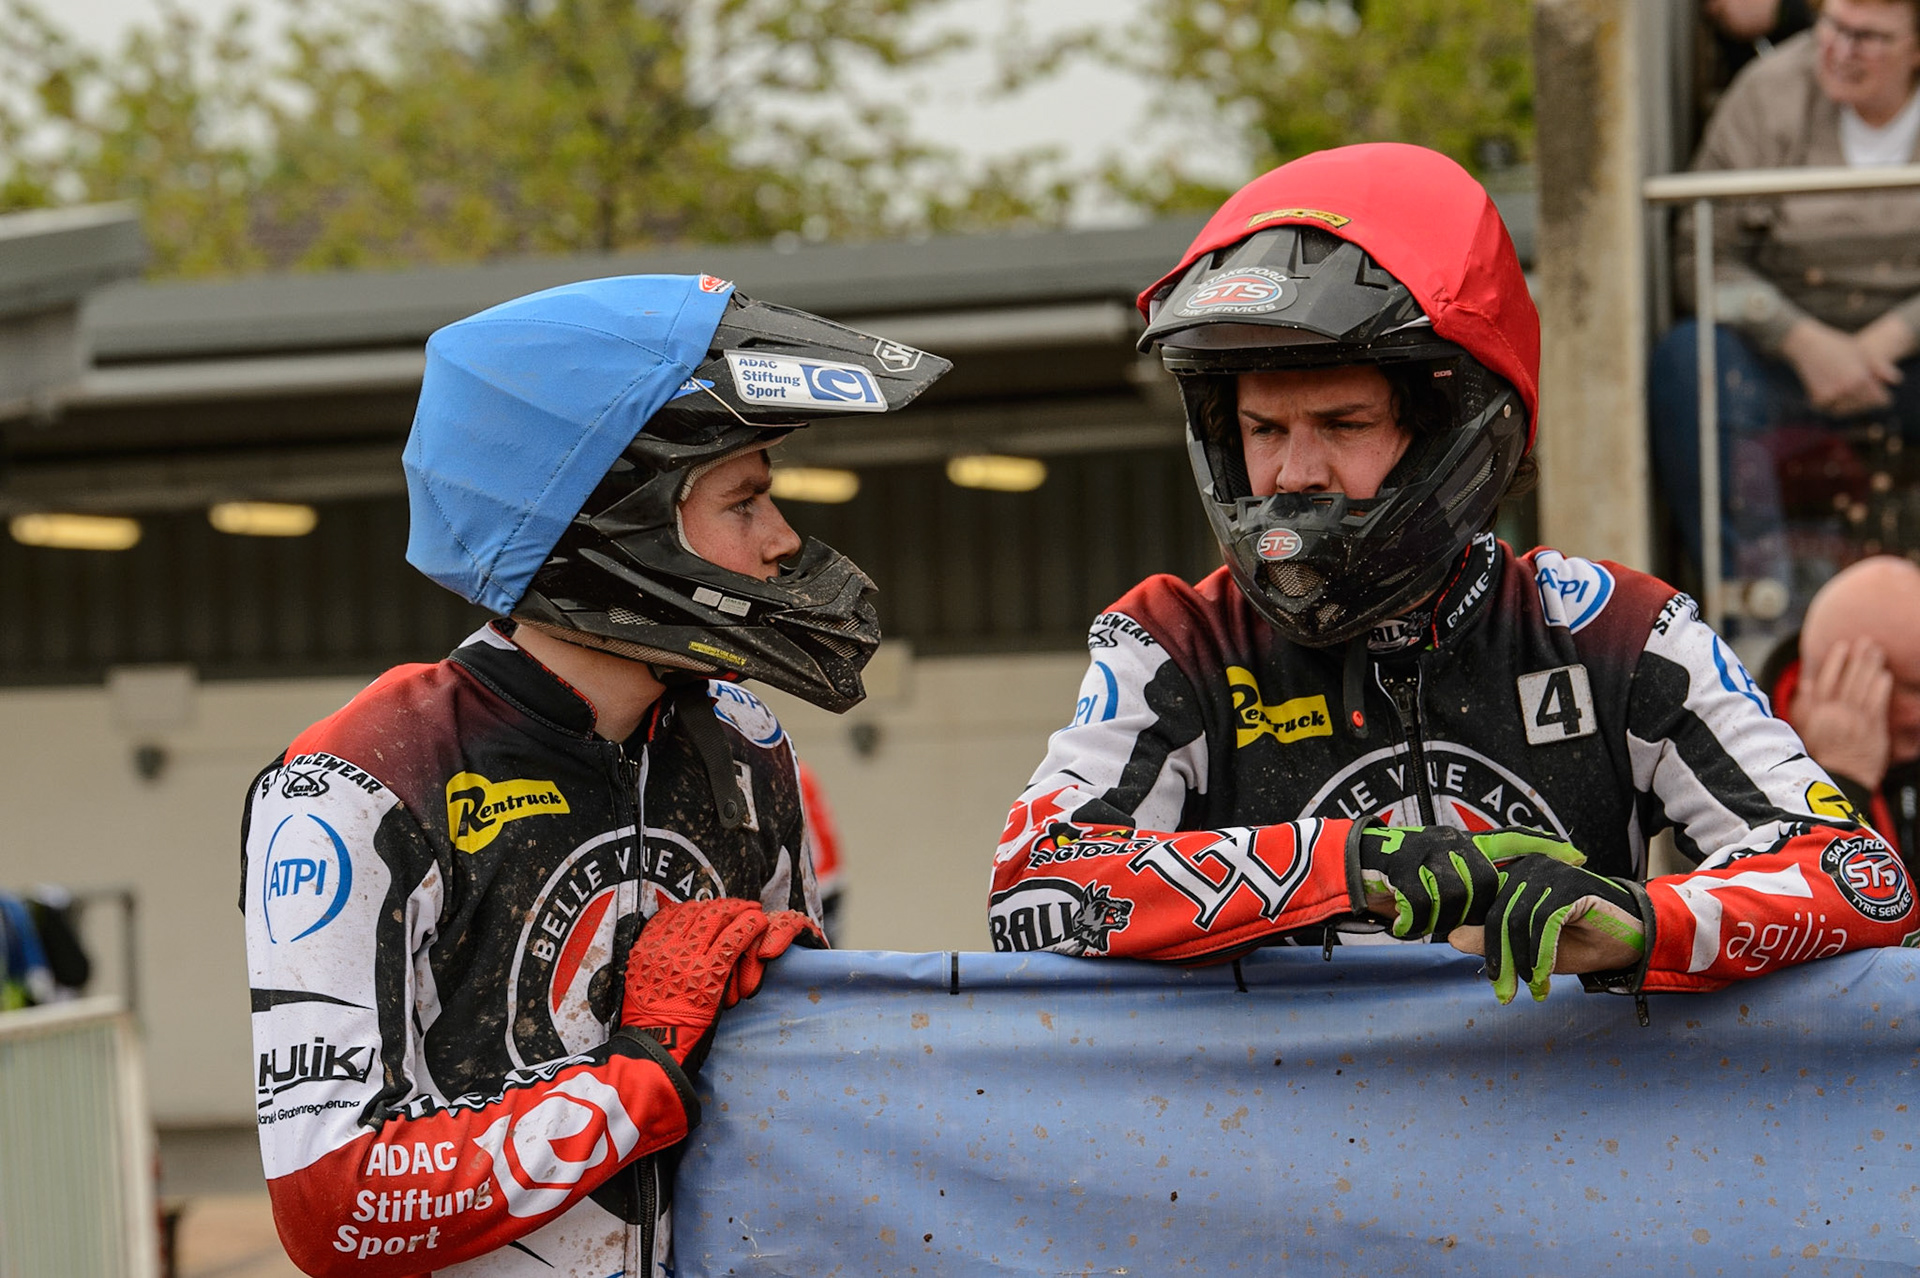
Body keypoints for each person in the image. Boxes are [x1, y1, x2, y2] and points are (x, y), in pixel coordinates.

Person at [990, 143, 1917, 1006]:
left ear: (1458, 427)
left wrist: (1642, 921)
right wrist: (1343, 866)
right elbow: (1034, 890)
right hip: (1277, 1162)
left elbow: (1860, 884)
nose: (1293, 472)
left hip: (1570, 1160)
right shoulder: (1178, 643)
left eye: (1344, 424)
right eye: (1263, 429)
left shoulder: (1614, 631)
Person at [241, 274, 947, 1276]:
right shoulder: (360, 783)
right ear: (614, 522)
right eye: (745, 501)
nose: (783, 541)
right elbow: (334, 1203)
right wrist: (632, 1086)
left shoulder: (744, 742)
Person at [1652, 0, 1920, 627]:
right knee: (1689, 363)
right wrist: (1802, 340)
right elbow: (1700, 249)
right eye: (1832, 25)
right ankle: (1754, 618)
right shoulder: (1770, 94)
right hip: (1783, 355)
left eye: (1869, 37)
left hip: (1905, 359)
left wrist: (1889, 337)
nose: (1840, 48)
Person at [1761, 553, 1920, 866]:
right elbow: (1787, 899)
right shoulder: (1737, 752)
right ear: (1846, 677)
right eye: (1914, 689)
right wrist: (1842, 779)